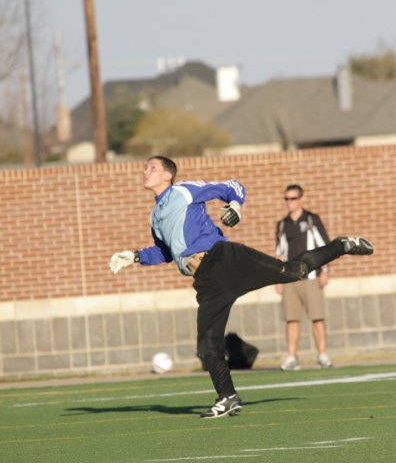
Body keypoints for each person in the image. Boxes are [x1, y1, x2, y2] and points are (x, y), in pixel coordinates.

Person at [109, 156, 374, 419]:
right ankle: (227, 397)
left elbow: (233, 186)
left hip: (223, 259)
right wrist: (135, 257)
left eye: (152, 167)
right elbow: (165, 252)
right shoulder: (155, 215)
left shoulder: (184, 190)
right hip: (206, 282)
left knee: (297, 272)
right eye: (145, 167)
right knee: (207, 344)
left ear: (168, 175)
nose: (145, 171)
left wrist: (236, 206)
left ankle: (341, 245)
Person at [276, 184, 333, 370]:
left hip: (312, 276)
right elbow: (280, 253)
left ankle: (322, 355)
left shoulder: (311, 219)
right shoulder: (283, 224)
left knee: (317, 317)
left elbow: (324, 246)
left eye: (292, 198)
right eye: (286, 199)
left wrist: (325, 271)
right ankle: (292, 357)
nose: (289, 202)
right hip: (291, 279)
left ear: (300, 199)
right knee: (291, 319)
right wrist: (278, 278)